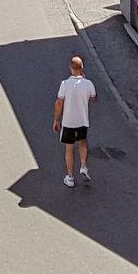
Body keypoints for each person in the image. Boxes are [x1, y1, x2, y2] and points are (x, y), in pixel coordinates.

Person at [53, 55, 96, 186]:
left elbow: (59, 103)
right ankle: (83, 166)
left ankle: (70, 178)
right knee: (83, 143)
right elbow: (93, 98)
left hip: (68, 122)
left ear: (71, 68)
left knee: (69, 149)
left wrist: (56, 119)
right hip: (82, 120)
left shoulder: (65, 84)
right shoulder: (88, 83)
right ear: (82, 68)